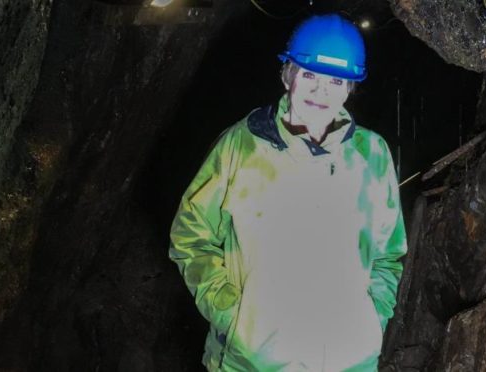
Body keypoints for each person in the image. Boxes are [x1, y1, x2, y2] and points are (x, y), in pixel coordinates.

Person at [169, 13, 408, 372]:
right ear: (287, 74)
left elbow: (389, 254)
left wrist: (372, 321)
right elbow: (190, 237)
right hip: (250, 362)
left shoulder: (372, 154)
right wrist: (233, 316)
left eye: (335, 81)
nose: (320, 91)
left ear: (349, 89)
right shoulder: (242, 146)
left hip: (348, 363)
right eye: (309, 74)